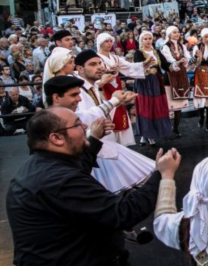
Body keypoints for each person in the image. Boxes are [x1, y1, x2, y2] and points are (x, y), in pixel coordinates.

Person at [6, 107, 181, 266]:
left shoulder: (43, 165)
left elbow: (81, 165)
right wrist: (161, 174)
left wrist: (94, 139)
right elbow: (124, 213)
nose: (84, 126)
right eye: (77, 125)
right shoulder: (60, 180)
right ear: (57, 138)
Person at [70, 51, 156, 194]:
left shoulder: (93, 87)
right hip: (94, 151)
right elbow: (83, 119)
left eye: (99, 63)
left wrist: (120, 101)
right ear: (79, 69)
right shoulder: (78, 90)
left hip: (104, 145)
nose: (99, 67)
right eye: (92, 64)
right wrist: (114, 101)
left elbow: (101, 112)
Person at [96, 32, 151, 145]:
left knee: (119, 112)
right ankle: (108, 143)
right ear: (100, 43)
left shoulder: (115, 58)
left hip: (115, 86)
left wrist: (145, 64)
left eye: (111, 41)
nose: (109, 43)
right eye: (106, 41)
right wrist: (105, 74)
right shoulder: (96, 58)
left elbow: (129, 67)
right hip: (103, 89)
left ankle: (121, 143)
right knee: (108, 113)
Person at [133, 31, 174, 145]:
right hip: (143, 82)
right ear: (141, 40)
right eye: (145, 39)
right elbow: (137, 66)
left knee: (155, 107)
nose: (148, 41)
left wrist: (176, 64)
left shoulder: (156, 52)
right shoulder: (138, 53)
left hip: (155, 81)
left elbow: (165, 65)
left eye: (149, 38)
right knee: (144, 107)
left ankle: (152, 135)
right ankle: (143, 134)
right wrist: (146, 62)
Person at [161, 26, 191, 135]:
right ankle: (166, 127)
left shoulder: (182, 46)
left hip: (181, 74)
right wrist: (179, 61)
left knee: (179, 104)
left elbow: (187, 56)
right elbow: (169, 59)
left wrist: (188, 60)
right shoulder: (165, 47)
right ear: (169, 34)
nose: (177, 34)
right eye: (174, 32)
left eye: (178, 32)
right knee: (168, 104)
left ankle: (176, 128)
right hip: (170, 76)